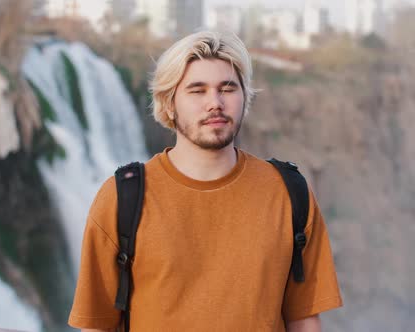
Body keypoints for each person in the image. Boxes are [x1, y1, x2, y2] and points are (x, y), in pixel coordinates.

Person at [68, 30, 343, 332]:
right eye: (197, 91)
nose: (215, 103)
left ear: (243, 97)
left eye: (227, 88)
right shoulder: (122, 198)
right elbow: (97, 325)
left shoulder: (289, 193)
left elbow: (303, 320)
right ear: (169, 103)